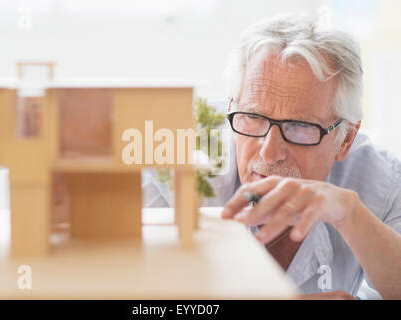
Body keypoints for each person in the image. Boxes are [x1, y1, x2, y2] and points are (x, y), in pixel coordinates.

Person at [142, 14, 401, 299]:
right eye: (253, 117)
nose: (269, 151)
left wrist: (351, 214)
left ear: (345, 139)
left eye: (300, 126)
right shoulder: (175, 158)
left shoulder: (383, 183)